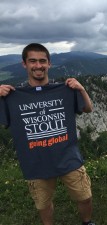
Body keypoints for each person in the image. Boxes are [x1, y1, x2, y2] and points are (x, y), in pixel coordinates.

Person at [0, 43, 95, 225]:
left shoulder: (65, 90)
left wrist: (81, 88)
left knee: (85, 197)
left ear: (49, 64)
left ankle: (87, 222)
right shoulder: (13, 96)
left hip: (68, 156)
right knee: (43, 205)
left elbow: (87, 109)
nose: (38, 65)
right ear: (24, 64)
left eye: (42, 61)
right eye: (33, 61)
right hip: (35, 162)